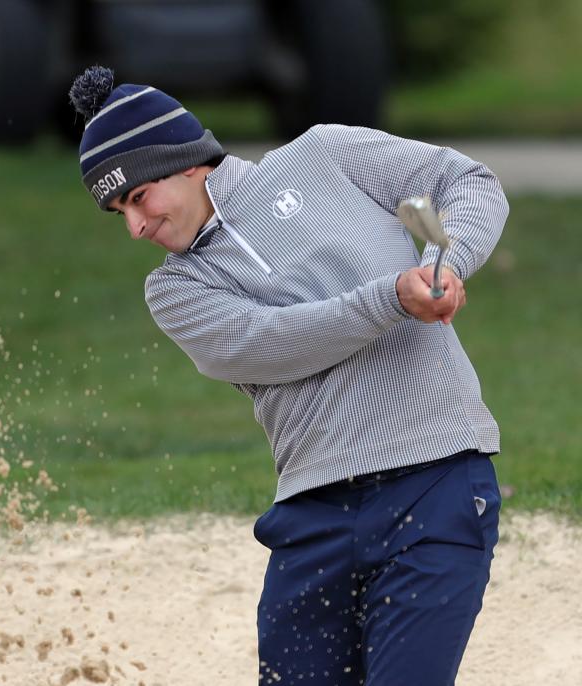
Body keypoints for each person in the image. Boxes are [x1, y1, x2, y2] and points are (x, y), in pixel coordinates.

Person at [68, 66, 508, 685]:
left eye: (138, 198)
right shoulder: (176, 287)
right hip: (314, 518)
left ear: (188, 161)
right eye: (120, 212)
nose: (136, 227)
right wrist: (393, 298)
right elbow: (265, 344)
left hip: (438, 482)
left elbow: (455, 185)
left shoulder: (325, 158)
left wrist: (444, 258)